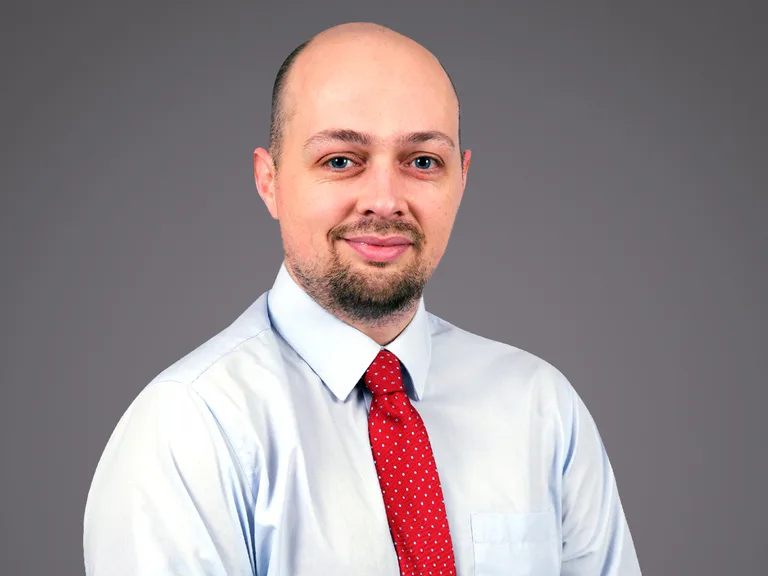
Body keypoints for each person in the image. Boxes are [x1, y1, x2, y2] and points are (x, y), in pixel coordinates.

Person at [83, 21, 642, 576]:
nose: (384, 200)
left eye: (422, 161)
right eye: (341, 160)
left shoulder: (541, 408)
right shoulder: (191, 429)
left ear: (461, 181)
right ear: (269, 180)